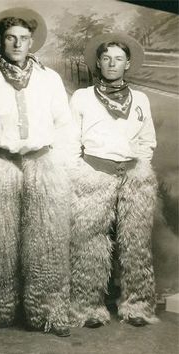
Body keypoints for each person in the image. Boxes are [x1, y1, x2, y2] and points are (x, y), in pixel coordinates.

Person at [0, 7, 75, 337]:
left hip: (43, 165)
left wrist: (61, 163)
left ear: (32, 42)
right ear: (0, 41)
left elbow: (66, 125)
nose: (18, 44)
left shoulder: (50, 79)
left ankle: (48, 312)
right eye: (11, 38)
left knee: (46, 245)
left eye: (23, 38)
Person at [69, 32, 158, 328]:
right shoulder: (82, 97)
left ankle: (137, 305)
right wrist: (79, 172)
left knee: (136, 243)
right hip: (94, 174)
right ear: (98, 62)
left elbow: (147, 140)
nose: (111, 63)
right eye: (106, 58)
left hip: (133, 176)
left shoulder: (140, 98)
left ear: (127, 64)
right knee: (90, 242)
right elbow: (71, 141)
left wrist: (139, 167)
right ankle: (87, 306)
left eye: (118, 59)